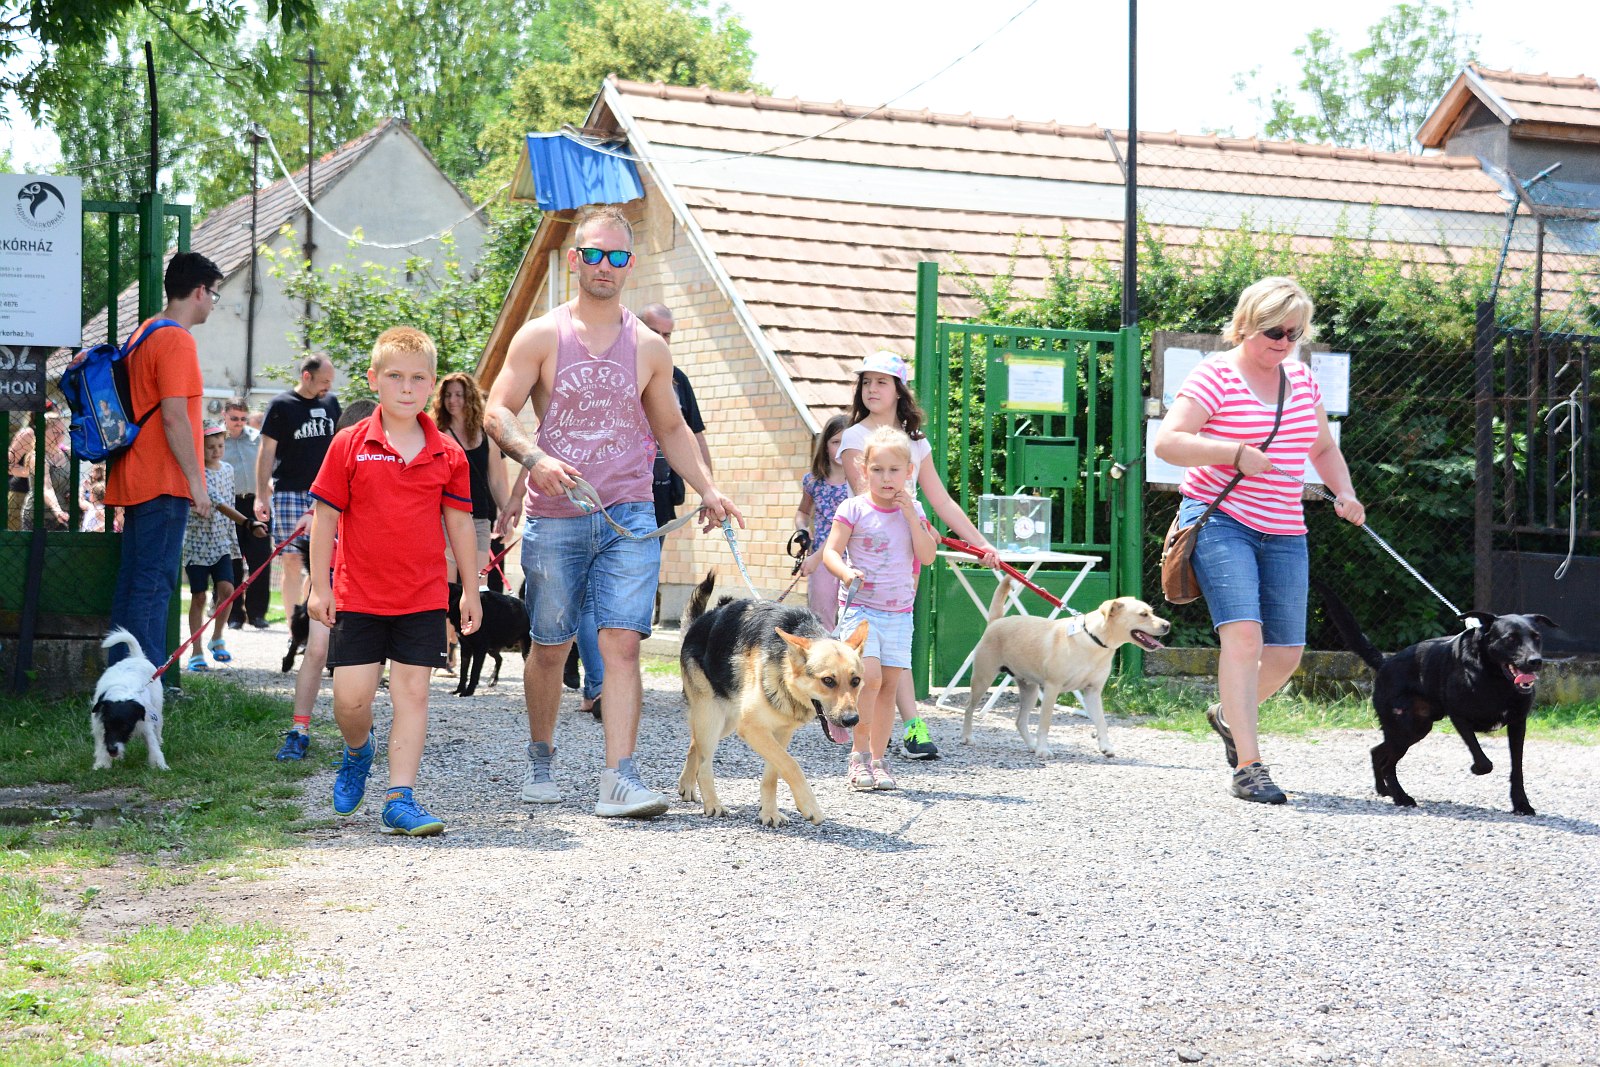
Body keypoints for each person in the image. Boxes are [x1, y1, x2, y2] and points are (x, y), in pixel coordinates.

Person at [485, 203, 741, 819]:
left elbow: (673, 428)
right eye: (594, 254)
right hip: (557, 513)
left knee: (623, 644)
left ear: (630, 265)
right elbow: (497, 411)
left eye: (617, 256)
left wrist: (707, 488)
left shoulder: (649, 347)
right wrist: (533, 458)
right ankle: (540, 756)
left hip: (630, 511)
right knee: (550, 644)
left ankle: (617, 778)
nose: (605, 265)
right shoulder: (541, 335)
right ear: (575, 260)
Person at [1152, 276, 1365, 805]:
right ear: (1247, 323)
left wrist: (1345, 493)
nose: (1284, 341)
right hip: (1222, 519)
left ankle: (1226, 715)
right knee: (1244, 638)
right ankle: (1250, 767)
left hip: (1286, 528)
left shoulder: (1301, 380)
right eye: (1274, 330)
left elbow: (1322, 448)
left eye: (1294, 332)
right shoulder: (1215, 376)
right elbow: (1169, 443)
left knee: (1288, 654)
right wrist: (1235, 453)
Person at [307, 326, 480, 836]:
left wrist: (469, 589)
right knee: (350, 701)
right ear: (375, 380)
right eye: (396, 377)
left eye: (418, 378)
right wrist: (319, 586)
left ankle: (399, 799)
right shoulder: (350, 444)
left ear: (432, 386)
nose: (407, 388)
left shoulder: (448, 453)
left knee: (414, 694)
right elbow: (324, 518)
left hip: (422, 596)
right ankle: (359, 750)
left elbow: (460, 525)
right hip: (358, 595)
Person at [837, 350, 998, 759]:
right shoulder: (856, 437)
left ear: (898, 390)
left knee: (894, 647)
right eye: (866, 382)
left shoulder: (916, 443)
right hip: (869, 549)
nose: (871, 389)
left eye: (881, 382)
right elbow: (865, 499)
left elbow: (941, 500)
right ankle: (881, 736)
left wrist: (980, 543)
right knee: (871, 663)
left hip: (910, 544)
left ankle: (898, 730)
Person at [558, 301, 711, 715]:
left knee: (630, 599)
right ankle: (598, 684)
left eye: (668, 335)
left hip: (654, 497)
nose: (662, 342)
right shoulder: (607, 368)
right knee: (591, 596)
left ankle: (616, 680)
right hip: (596, 493)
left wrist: (708, 489)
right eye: (655, 332)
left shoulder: (677, 380)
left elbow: (690, 434)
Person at [105, 251, 221, 667]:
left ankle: (119, 677)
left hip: (135, 474)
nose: (212, 304)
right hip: (163, 479)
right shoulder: (176, 339)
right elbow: (174, 418)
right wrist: (197, 483)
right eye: (214, 296)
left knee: (134, 583)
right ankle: (145, 685)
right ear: (200, 291)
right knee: (155, 586)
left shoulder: (144, 332)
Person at [822, 426, 938, 790]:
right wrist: (845, 572)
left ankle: (878, 760)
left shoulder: (914, 509)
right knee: (868, 679)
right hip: (861, 611)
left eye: (894, 470)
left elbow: (928, 556)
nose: (885, 478)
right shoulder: (853, 508)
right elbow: (830, 552)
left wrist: (911, 518)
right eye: (877, 469)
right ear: (863, 468)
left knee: (888, 686)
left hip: (899, 613)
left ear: (908, 473)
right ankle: (857, 759)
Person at [275, 399, 378, 762]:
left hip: (370, 580)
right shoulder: (336, 466)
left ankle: (360, 735)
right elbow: (322, 504)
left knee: (358, 660)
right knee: (317, 650)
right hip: (334, 576)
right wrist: (308, 516)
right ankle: (299, 729)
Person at [254, 353, 341, 632]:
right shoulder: (281, 405)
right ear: (307, 376)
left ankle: (311, 623)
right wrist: (260, 494)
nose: (328, 386)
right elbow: (266, 451)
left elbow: (342, 447)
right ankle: (294, 629)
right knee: (291, 558)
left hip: (325, 494)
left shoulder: (331, 403)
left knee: (323, 561)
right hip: (290, 490)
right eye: (324, 380)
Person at [431, 372, 510, 670]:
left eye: (459, 395)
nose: (453, 400)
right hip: (444, 517)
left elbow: (496, 480)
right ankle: (445, 650)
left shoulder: (485, 434)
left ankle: (469, 645)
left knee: (476, 585)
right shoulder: (437, 432)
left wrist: (506, 512)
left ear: (470, 398)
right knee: (445, 588)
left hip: (478, 517)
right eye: (448, 395)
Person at [182, 422, 260, 671]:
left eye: (220, 446)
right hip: (197, 542)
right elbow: (218, 504)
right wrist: (248, 523)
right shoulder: (197, 474)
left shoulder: (227, 469)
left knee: (227, 590)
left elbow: (229, 500)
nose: (216, 451)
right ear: (199, 448)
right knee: (199, 596)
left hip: (222, 541)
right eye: (210, 447)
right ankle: (196, 650)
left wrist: (235, 533)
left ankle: (217, 638)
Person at [794, 414, 851, 630]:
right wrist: (802, 530)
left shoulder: (860, 484)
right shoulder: (814, 482)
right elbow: (802, 512)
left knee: (850, 620)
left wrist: (816, 557)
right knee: (821, 618)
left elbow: (847, 530)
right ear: (825, 446)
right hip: (823, 562)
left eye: (847, 442)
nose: (841, 448)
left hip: (853, 558)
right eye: (836, 442)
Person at [222, 398, 271, 630]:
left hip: (254, 503)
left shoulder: (257, 438)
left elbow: (268, 466)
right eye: (234, 419)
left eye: (242, 419)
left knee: (261, 559)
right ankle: (233, 615)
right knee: (231, 562)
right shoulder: (216, 440)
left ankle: (258, 613)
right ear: (224, 416)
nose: (239, 423)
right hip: (228, 506)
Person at [10, 403, 71, 530]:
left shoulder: (59, 446)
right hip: (21, 493)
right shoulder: (29, 433)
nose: (58, 413)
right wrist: (33, 472)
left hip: (52, 500)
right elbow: (8, 465)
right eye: (55, 410)